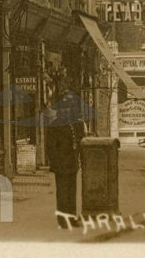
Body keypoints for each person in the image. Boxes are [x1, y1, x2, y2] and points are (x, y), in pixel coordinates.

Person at [46, 93, 85, 229]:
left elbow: (79, 141)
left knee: (71, 192)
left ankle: (72, 218)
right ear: (59, 110)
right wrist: (56, 163)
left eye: (68, 108)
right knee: (62, 193)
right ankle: (63, 220)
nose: (66, 111)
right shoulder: (55, 125)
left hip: (72, 163)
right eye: (63, 108)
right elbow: (50, 147)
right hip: (61, 164)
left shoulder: (74, 124)